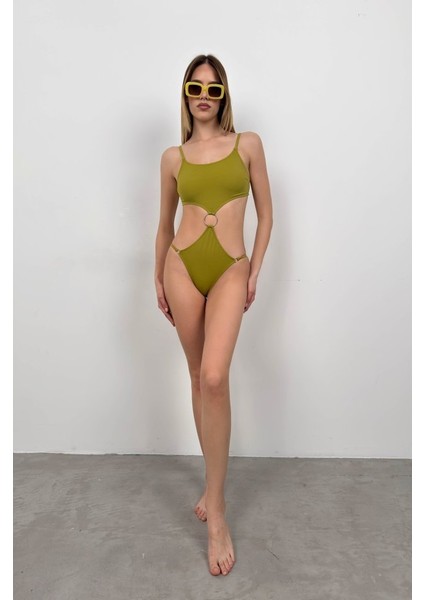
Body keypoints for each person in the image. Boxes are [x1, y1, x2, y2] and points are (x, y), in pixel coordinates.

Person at [154, 54, 273, 576]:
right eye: (195, 87)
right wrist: (157, 277)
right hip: (181, 266)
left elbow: (266, 214)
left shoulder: (248, 144)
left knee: (215, 376)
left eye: (213, 88)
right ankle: (211, 484)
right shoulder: (172, 157)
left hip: (230, 267)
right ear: (185, 94)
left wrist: (254, 271)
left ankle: (217, 512)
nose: (204, 96)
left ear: (224, 95)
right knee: (196, 377)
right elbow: (164, 226)